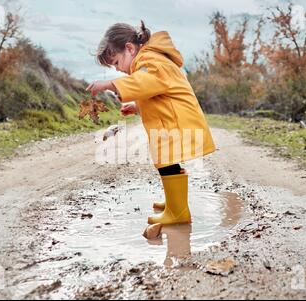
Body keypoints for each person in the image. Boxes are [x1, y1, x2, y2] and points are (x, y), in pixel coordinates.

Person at [86, 21, 216, 225]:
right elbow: (157, 89)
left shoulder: (150, 60)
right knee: (168, 162)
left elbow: (145, 82)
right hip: (172, 119)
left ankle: (178, 212)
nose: (118, 70)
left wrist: (109, 84)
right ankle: (175, 203)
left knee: (166, 162)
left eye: (117, 63)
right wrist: (137, 106)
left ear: (129, 48)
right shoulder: (149, 61)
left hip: (174, 121)